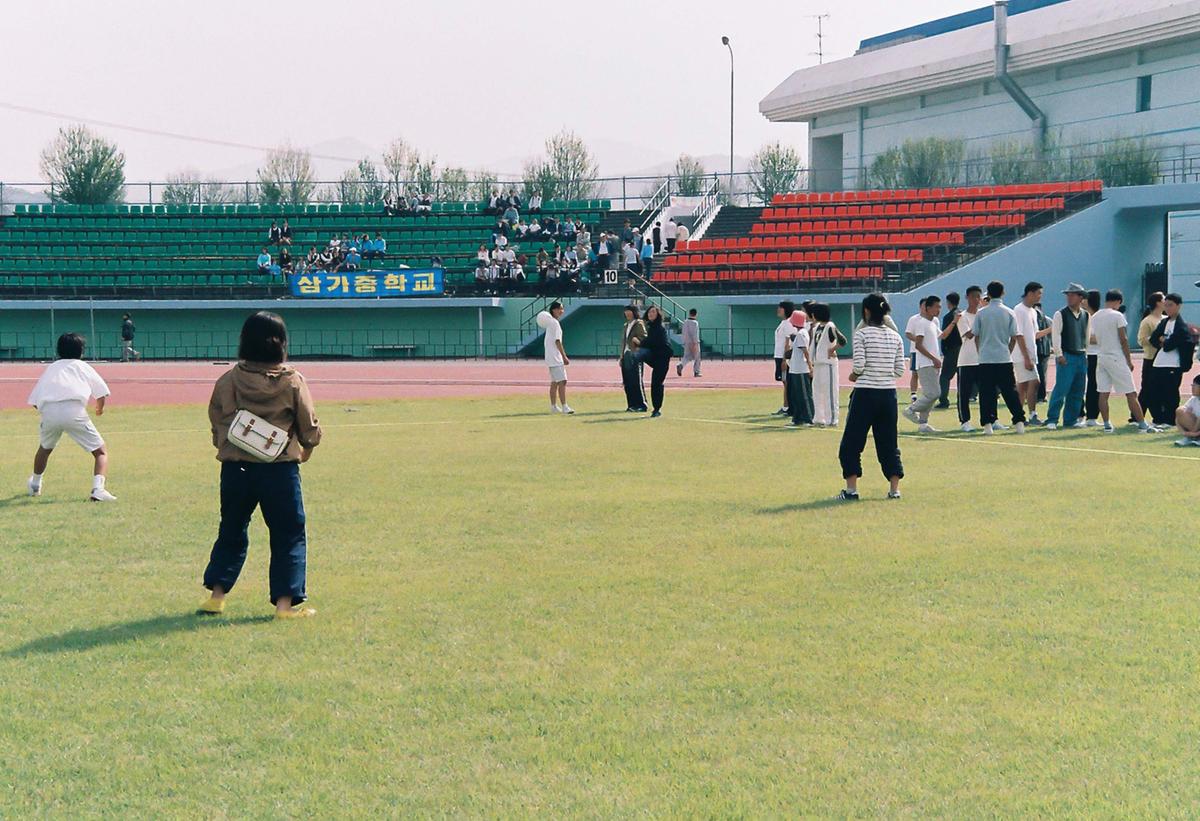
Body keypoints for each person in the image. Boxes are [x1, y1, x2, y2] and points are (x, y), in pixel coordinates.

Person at [198, 312, 322, 619]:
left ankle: (216, 596)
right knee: (288, 533)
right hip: (279, 468)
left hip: (236, 468)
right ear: (281, 343)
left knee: (231, 529)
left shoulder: (228, 379)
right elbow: (308, 425)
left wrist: (226, 448)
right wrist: (307, 447)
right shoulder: (292, 381)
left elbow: (218, 420)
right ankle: (284, 605)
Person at [26, 333, 116, 502]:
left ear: (59, 350)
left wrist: (49, 413)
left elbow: (35, 401)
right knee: (100, 452)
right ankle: (98, 489)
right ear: (81, 351)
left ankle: (35, 485)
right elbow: (101, 393)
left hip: (49, 412)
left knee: (44, 449)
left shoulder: (52, 368)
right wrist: (99, 409)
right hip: (74, 411)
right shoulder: (82, 366)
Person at [838, 294, 905, 501]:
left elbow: (858, 365)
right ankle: (894, 490)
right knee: (888, 442)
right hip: (888, 394)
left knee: (852, 442)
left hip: (866, 393)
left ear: (866, 311)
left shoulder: (862, 334)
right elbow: (900, 370)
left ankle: (851, 490)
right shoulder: (896, 337)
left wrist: (854, 375)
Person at [1090, 289, 1158, 433]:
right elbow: (1123, 339)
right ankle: (1142, 424)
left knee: (1103, 393)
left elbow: (1093, 337)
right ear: (1118, 301)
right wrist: (1129, 360)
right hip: (1116, 357)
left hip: (1101, 356)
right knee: (1131, 393)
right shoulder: (1117, 315)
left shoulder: (1095, 316)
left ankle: (1107, 423)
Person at [967, 280, 1027, 435]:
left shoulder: (981, 313)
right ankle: (1019, 421)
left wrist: (981, 352)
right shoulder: (1009, 312)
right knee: (1010, 391)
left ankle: (987, 425)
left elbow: (976, 335)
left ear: (988, 293)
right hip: (1003, 358)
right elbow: (1014, 336)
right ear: (1003, 293)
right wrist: (1008, 350)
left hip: (986, 358)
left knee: (986, 392)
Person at [1043, 283, 1090, 430]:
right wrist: (1059, 354)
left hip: (1081, 355)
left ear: (1080, 297)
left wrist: (1086, 353)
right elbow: (1056, 335)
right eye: (1068, 295)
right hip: (1067, 355)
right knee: (1061, 388)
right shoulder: (1060, 314)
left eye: (1073, 295)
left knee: (1078, 390)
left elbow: (1086, 336)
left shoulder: (1086, 315)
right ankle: (1052, 419)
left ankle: (1070, 420)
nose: (1069, 298)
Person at [1149, 292, 1195, 424]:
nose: (1168, 308)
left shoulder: (1181, 326)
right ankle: (1158, 419)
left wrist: (1164, 341)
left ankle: (1170, 420)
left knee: (1170, 394)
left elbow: (1170, 345)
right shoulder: (1164, 322)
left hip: (1173, 364)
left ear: (1178, 306)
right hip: (1158, 363)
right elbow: (1153, 339)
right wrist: (1163, 341)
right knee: (1154, 392)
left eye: (1171, 305)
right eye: (1166, 305)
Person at [903, 295, 943, 433]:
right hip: (925, 364)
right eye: (936, 306)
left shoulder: (933, 323)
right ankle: (910, 409)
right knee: (934, 394)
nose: (939, 309)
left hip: (932, 363)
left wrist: (954, 322)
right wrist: (934, 359)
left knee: (929, 394)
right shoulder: (921, 323)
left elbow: (941, 336)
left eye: (940, 306)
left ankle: (923, 424)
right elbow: (918, 345)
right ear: (927, 308)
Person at [1012, 282, 1047, 425]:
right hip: (1021, 356)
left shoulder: (1033, 311)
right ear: (1030, 293)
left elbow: (1035, 334)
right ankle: (1032, 415)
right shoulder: (1019, 310)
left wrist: (1052, 329)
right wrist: (1026, 357)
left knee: (1023, 386)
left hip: (1031, 355)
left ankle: (1019, 417)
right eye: (1039, 293)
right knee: (1034, 382)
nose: (1040, 297)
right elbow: (1018, 335)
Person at [809, 302, 842, 427]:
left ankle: (832, 419)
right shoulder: (817, 327)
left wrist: (832, 350)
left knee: (830, 392)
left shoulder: (830, 326)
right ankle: (818, 418)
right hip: (817, 363)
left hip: (828, 364)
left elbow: (842, 340)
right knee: (817, 391)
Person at [954, 285, 983, 432]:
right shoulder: (962, 316)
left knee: (986, 392)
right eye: (973, 297)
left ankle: (990, 419)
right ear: (967, 298)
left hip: (982, 359)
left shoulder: (983, 314)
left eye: (979, 296)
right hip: (966, 360)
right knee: (964, 393)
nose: (977, 300)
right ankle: (964, 421)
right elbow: (969, 335)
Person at [635, 305, 672, 417]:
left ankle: (657, 409)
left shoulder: (659, 328)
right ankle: (632, 373)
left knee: (656, 383)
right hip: (654, 357)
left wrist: (639, 342)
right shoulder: (649, 327)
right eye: (650, 312)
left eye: (654, 312)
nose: (651, 314)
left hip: (662, 359)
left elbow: (651, 342)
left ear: (658, 315)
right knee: (636, 354)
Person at [1137, 292, 1167, 425]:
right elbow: (1141, 340)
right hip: (1150, 358)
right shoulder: (1148, 320)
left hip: (1164, 359)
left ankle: (1137, 415)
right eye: (1164, 299)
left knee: (1156, 388)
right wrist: (1157, 340)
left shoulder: (1166, 318)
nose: (1166, 301)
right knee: (1148, 388)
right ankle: (1139, 416)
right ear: (1158, 303)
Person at [786, 310, 814, 427]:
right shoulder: (800, 334)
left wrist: (810, 366)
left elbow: (805, 352)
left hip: (801, 369)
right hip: (795, 368)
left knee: (804, 395)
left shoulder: (802, 334)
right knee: (796, 395)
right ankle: (797, 419)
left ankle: (809, 418)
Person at [543, 301, 572, 414]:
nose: (561, 311)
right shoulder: (554, 323)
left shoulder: (551, 323)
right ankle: (564, 406)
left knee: (554, 382)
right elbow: (557, 341)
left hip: (551, 357)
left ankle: (554, 406)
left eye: (562, 309)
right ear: (553, 310)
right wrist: (564, 357)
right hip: (555, 357)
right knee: (562, 381)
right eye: (559, 309)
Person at [619, 305, 648, 412]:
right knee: (627, 381)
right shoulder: (626, 325)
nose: (627, 313)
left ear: (634, 312)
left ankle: (641, 404)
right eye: (626, 311)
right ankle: (631, 404)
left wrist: (637, 341)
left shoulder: (638, 323)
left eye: (629, 311)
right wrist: (621, 356)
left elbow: (644, 338)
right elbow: (623, 341)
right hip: (626, 354)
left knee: (636, 380)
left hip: (635, 354)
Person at [937, 291, 961, 409]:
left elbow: (944, 334)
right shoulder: (962, 314)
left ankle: (943, 400)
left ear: (948, 302)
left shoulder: (948, 317)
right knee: (963, 376)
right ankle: (964, 398)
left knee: (945, 376)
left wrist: (944, 349)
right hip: (963, 348)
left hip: (952, 349)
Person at [1083, 289, 1102, 426]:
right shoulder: (1084, 317)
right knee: (1084, 386)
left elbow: (1093, 338)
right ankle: (1085, 415)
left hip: (1096, 355)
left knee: (1095, 386)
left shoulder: (1096, 317)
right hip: (1087, 354)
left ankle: (1092, 416)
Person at [773, 301, 796, 415]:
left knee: (787, 381)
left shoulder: (788, 324)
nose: (778, 310)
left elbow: (788, 343)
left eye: (780, 308)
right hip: (778, 356)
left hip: (783, 357)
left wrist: (784, 359)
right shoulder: (783, 322)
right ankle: (787, 406)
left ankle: (788, 407)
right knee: (784, 381)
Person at [1173, 374, 1200, 447]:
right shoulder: (1193, 399)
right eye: (1192, 385)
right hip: (1195, 429)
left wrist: (1194, 433)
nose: (1192, 388)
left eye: (1195, 385)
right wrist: (1184, 432)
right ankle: (1192, 437)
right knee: (1180, 410)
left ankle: (1193, 437)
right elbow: (1178, 417)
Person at [1034, 301, 1052, 403]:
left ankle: (1040, 395)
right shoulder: (1048, 319)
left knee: (1039, 373)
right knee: (1043, 373)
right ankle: (1041, 395)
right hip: (1046, 349)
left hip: (1038, 349)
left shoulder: (1035, 317)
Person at [677, 308, 701, 377]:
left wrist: (684, 341)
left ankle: (681, 364)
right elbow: (695, 334)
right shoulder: (695, 323)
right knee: (697, 357)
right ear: (696, 314)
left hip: (686, 342)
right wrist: (695, 343)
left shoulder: (685, 322)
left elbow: (683, 332)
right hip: (694, 342)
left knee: (686, 357)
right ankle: (696, 371)